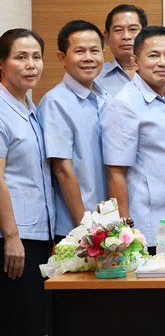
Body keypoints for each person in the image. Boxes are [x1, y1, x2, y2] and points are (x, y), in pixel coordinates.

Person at [101, 26, 165, 254]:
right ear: (136, 60)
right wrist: (125, 230)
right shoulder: (124, 104)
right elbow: (115, 171)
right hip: (147, 228)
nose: (163, 62)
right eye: (153, 55)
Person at [0, 29, 54, 336]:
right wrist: (11, 237)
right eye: (21, 57)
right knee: (21, 323)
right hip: (14, 237)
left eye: (36, 57)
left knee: (36, 320)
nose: (31, 65)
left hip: (35, 234)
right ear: (2, 63)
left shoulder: (30, 108)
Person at [38, 20, 110, 242]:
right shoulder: (56, 101)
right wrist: (84, 229)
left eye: (94, 51)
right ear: (62, 57)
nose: (88, 58)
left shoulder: (105, 98)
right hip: (76, 227)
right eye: (79, 51)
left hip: (107, 223)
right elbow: (62, 170)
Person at [97, 4, 165, 99]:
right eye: (118, 30)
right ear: (107, 37)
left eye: (133, 29)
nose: (126, 36)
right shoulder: (96, 76)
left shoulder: (164, 71)